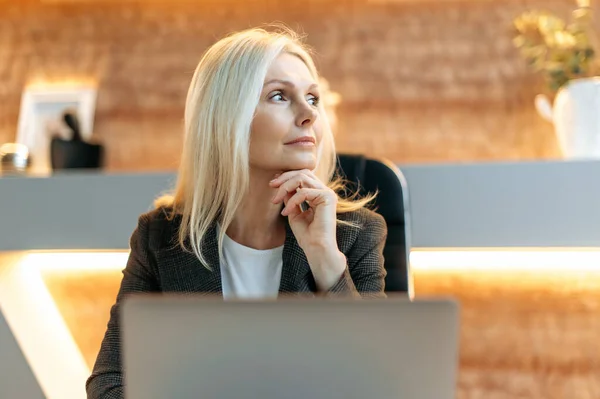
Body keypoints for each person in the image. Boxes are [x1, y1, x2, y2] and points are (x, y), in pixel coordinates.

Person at [86, 26, 387, 399]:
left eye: (313, 98)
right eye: (279, 96)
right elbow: (110, 383)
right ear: (226, 117)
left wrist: (327, 261)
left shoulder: (355, 233)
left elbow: (377, 383)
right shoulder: (160, 238)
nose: (309, 113)